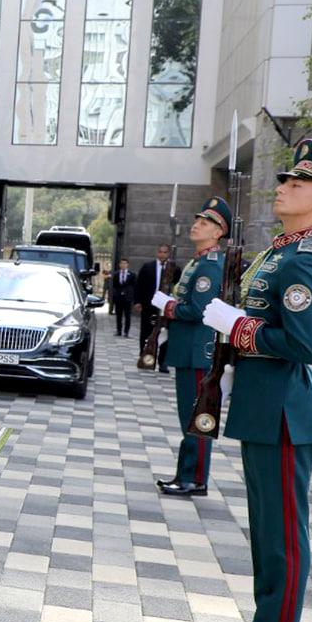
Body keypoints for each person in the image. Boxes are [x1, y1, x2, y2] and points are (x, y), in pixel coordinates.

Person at [199, 139, 312, 622]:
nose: (283, 188)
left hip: (282, 414)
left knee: (283, 536)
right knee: (265, 530)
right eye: (284, 181)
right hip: (261, 407)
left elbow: (307, 345)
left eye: (297, 184)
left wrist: (241, 327)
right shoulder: (276, 253)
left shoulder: (304, 260)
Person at [152, 198, 230, 498]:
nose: (197, 225)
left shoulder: (209, 266)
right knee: (189, 415)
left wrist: (169, 306)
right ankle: (188, 474)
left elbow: (198, 309)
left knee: (196, 416)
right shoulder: (199, 261)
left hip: (198, 352)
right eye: (198, 220)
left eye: (206, 223)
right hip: (189, 350)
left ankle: (194, 478)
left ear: (218, 233)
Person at [136, 244, 178, 372]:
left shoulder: (175, 269)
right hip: (149, 306)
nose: (162, 255)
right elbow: (139, 285)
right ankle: (146, 358)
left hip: (166, 307)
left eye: (165, 252)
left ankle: (163, 362)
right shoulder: (147, 267)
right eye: (160, 252)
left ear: (168, 254)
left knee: (165, 334)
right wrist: (137, 302)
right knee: (146, 332)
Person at [111, 259, 136, 336]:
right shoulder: (116, 274)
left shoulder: (132, 275)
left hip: (127, 298)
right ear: (119, 265)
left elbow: (134, 286)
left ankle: (126, 331)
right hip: (118, 298)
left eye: (125, 263)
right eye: (122, 263)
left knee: (127, 315)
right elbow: (114, 286)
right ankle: (119, 330)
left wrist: (132, 296)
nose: (123, 265)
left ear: (127, 265)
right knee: (119, 315)